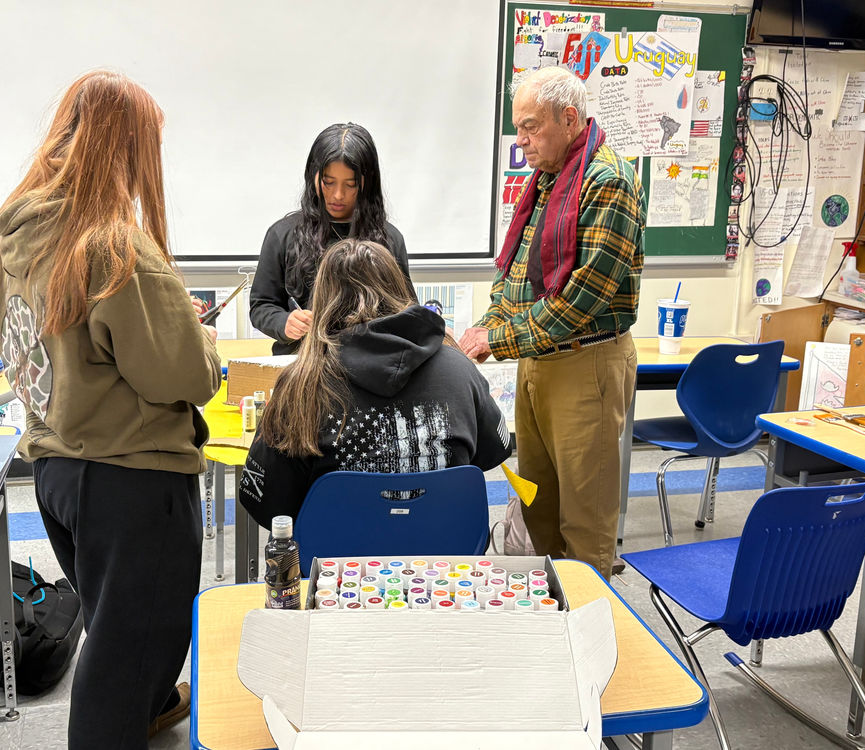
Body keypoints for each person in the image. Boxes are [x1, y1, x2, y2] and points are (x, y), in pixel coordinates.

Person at [0, 71, 222, 749]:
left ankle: (146, 706)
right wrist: (197, 338)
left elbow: (60, 349)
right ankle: (126, 714)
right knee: (124, 651)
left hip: (59, 466)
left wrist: (166, 322)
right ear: (128, 149)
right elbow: (182, 376)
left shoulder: (25, 230)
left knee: (117, 623)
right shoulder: (115, 244)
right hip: (130, 478)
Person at [459, 67, 644, 580]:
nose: (521, 142)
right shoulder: (547, 179)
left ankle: (589, 635)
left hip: (586, 365)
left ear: (568, 118)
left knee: (585, 522)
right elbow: (515, 272)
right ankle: (546, 619)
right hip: (538, 362)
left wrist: (494, 339)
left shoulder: (608, 182)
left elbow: (579, 303)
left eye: (530, 127)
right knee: (538, 504)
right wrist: (487, 324)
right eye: (518, 128)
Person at [239, 239, 510, 527]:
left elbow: (268, 506)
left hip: (339, 566)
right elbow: (492, 451)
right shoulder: (459, 368)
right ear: (399, 288)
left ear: (323, 300)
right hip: (446, 561)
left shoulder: (302, 385)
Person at [249, 123, 413, 354]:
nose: (338, 195)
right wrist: (284, 323)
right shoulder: (283, 234)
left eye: (351, 184)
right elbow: (262, 305)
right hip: (301, 364)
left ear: (368, 183)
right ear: (313, 176)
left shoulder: (389, 239)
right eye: (328, 182)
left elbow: (406, 308)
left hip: (371, 367)